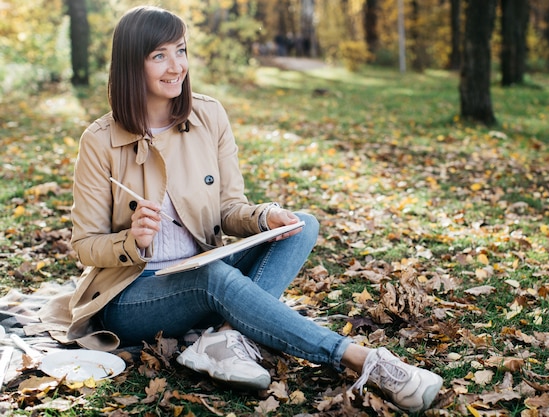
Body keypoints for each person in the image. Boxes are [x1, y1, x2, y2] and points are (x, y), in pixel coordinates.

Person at [40, 5, 443, 413]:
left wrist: (264, 217)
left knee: (302, 225)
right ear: (131, 64)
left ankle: (223, 338)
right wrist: (131, 239)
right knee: (212, 276)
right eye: (159, 55)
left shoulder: (208, 115)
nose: (176, 65)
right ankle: (364, 360)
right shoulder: (99, 140)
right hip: (131, 295)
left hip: (204, 265)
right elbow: (85, 245)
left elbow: (230, 207)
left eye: (180, 50)